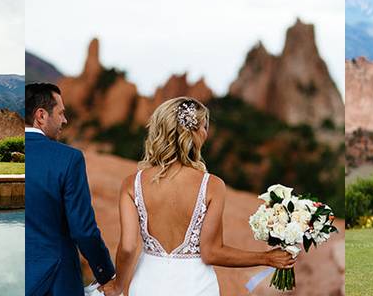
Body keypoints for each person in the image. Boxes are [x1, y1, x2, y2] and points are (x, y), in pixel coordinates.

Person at [113, 97, 296, 295]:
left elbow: (128, 246)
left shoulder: (132, 184)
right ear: (194, 133)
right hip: (195, 286)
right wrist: (266, 258)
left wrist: (118, 287)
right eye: (204, 126)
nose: (205, 133)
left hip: (148, 284)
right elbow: (211, 253)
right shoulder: (212, 185)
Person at [24, 83, 120, 296]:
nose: (65, 121)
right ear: (41, 115)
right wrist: (107, 276)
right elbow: (83, 230)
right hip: (55, 284)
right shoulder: (68, 159)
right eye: (61, 113)